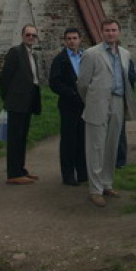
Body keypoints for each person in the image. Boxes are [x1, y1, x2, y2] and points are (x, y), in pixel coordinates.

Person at [78, 18, 136, 207]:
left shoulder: (125, 54)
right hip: (97, 103)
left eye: (114, 30)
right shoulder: (91, 54)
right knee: (96, 147)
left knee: (112, 146)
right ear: (101, 32)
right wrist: (92, 101)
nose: (111, 33)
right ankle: (95, 190)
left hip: (118, 101)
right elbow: (82, 83)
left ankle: (106, 183)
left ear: (119, 32)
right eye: (107, 30)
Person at [0, 24, 42, 185]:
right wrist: (8, 98)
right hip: (16, 102)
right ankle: (13, 173)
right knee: (15, 138)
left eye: (33, 35)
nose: (30, 37)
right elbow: (5, 78)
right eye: (28, 35)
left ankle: (21, 170)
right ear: (22, 36)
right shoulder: (15, 52)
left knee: (22, 137)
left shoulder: (32, 54)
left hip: (28, 101)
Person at [48, 27, 87, 186]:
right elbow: (54, 83)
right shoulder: (60, 59)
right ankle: (68, 174)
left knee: (83, 139)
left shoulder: (85, 57)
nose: (72, 41)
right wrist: (71, 93)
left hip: (85, 105)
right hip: (68, 106)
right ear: (65, 41)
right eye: (69, 39)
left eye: (74, 38)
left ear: (80, 39)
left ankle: (83, 172)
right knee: (69, 141)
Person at [115, 59, 136, 169]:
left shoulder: (125, 57)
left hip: (120, 98)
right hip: (105, 99)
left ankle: (120, 160)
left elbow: (131, 77)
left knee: (119, 129)